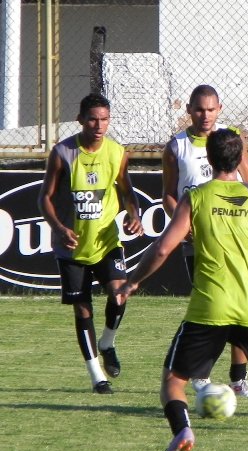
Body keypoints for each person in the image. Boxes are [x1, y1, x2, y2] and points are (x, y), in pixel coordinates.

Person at [116, 128, 248, 451]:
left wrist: (133, 281)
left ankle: (183, 430)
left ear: (209, 159)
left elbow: (163, 247)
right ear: (239, 160)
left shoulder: (196, 197)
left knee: (173, 383)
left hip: (209, 307)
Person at [37, 93, 144, 394]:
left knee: (119, 294)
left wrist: (133, 214)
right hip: (71, 247)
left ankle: (107, 343)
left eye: (104, 119)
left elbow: (127, 191)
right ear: (81, 119)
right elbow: (44, 198)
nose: (99, 125)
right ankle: (97, 375)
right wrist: (58, 227)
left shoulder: (116, 152)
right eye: (93, 119)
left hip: (107, 240)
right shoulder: (63, 153)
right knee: (82, 310)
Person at [162, 84, 248, 398]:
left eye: (211, 109)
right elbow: (168, 193)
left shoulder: (232, 140)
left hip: (234, 233)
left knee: (239, 302)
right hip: (199, 240)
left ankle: (237, 377)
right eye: (199, 109)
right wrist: (183, 221)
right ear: (189, 110)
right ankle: (200, 374)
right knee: (212, 304)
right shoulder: (176, 146)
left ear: (219, 109)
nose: (205, 116)